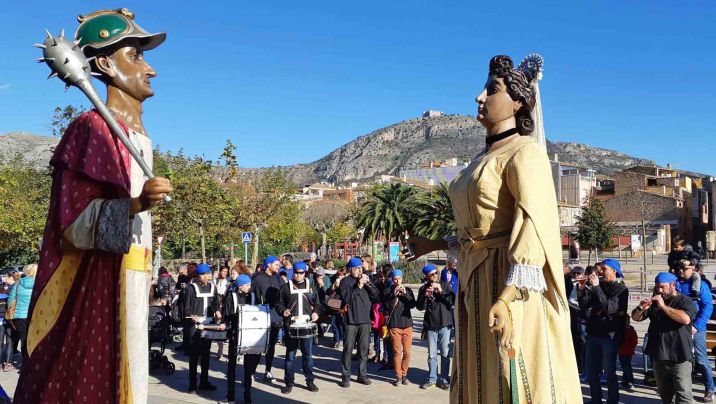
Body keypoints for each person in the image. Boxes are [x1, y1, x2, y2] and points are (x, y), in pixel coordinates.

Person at [14, 8, 173, 403]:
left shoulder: (135, 132)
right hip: (104, 282)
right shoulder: (92, 127)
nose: (150, 69)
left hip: (133, 276)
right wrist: (137, 204)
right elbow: (72, 228)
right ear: (104, 63)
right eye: (136, 56)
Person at [404, 54, 581, 403]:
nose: (479, 97)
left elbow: (532, 225)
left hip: (508, 281)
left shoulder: (524, 153)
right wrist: (436, 243)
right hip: (474, 277)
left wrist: (507, 295)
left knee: (507, 369)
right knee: (476, 367)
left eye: (491, 89)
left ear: (518, 102)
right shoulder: (479, 160)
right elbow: (481, 226)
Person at [632, 272, 695, 404]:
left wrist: (663, 307)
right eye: (656, 287)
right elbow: (635, 318)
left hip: (680, 357)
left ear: (673, 285)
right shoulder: (655, 301)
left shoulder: (684, 300)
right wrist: (641, 308)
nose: (659, 290)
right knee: (665, 395)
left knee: (684, 396)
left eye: (662, 287)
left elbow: (685, 319)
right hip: (659, 356)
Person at [577, 258, 628, 404]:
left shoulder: (621, 289)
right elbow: (584, 305)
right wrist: (581, 288)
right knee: (592, 371)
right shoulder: (599, 285)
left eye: (604, 269)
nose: (600, 272)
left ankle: (612, 400)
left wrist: (597, 287)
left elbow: (609, 308)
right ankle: (595, 400)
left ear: (614, 271)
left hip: (609, 336)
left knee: (609, 372)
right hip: (593, 333)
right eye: (600, 269)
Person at [275, 262, 321, 394]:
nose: (298, 275)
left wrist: (316, 313)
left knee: (308, 356)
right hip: (291, 326)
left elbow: (317, 304)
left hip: (306, 325)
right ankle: (289, 382)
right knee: (290, 356)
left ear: (304, 273)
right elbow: (279, 303)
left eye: (300, 273)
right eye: (295, 272)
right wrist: (283, 311)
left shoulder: (311, 286)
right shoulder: (285, 287)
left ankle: (310, 381)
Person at [674, 257, 714, 401]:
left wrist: (696, 326)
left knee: (701, 359)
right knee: (680, 360)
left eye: (684, 268)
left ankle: (710, 388)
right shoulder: (675, 284)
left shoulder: (700, 285)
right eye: (679, 267)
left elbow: (707, 307)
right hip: (679, 327)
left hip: (696, 328)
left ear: (694, 269)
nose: (680, 270)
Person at [339, 257, 379, 387]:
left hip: (365, 321)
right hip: (351, 321)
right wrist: (359, 285)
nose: (359, 271)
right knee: (348, 349)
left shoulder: (366, 279)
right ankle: (345, 376)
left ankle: (362, 375)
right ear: (350, 269)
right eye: (356, 268)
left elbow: (375, 295)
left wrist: (369, 284)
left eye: (360, 268)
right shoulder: (345, 282)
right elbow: (346, 298)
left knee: (363, 350)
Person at [221, 274, 260, 404]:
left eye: (250, 285)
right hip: (235, 335)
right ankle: (230, 397)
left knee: (248, 368)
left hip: (250, 336)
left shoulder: (253, 296)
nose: (249, 287)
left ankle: (247, 397)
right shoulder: (231, 296)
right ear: (240, 286)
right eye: (247, 285)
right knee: (231, 367)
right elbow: (226, 315)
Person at [184, 263, 222, 392]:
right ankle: (192, 384)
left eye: (207, 274)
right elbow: (186, 308)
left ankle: (204, 382)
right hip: (195, 326)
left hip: (209, 325)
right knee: (194, 356)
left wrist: (217, 312)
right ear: (198, 275)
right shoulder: (191, 288)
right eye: (203, 274)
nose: (206, 277)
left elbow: (216, 304)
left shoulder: (213, 287)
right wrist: (191, 316)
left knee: (206, 355)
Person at [417, 264, 454, 390]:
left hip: (445, 323)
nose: (435, 276)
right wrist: (425, 296)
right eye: (432, 275)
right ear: (427, 277)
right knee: (432, 354)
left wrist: (442, 292)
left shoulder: (445, 284)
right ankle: (432, 378)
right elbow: (419, 307)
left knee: (445, 353)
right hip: (431, 324)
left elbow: (452, 302)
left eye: (436, 273)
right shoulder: (423, 289)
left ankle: (444, 378)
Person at [251, 256, 283, 383]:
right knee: (259, 346)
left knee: (271, 346)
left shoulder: (278, 278)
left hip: (275, 315)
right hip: (261, 314)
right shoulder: (258, 278)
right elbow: (252, 297)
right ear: (268, 264)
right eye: (276, 264)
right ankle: (251, 372)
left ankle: (268, 371)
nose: (278, 266)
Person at [380, 269, 414, 386]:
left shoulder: (408, 290)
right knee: (397, 352)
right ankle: (398, 377)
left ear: (402, 279)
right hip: (394, 325)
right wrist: (393, 294)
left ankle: (404, 375)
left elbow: (412, 305)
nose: (397, 281)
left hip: (407, 325)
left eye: (399, 279)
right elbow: (386, 305)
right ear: (392, 280)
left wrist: (405, 294)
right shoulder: (388, 291)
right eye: (395, 279)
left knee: (408, 352)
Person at [7, 264, 35, 367]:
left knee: (23, 338)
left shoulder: (18, 284)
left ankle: (25, 362)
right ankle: (33, 359)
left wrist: (11, 315)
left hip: (20, 316)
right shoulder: (39, 284)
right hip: (34, 315)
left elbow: (11, 300)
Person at [214, 266, 230, 361]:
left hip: (224, 305)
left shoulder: (228, 282)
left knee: (222, 328)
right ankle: (220, 351)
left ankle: (221, 352)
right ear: (220, 271)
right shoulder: (215, 281)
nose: (225, 273)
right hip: (217, 306)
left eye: (226, 272)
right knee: (218, 328)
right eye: (224, 271)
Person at [328, 267, 347, 348]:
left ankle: (342, 340)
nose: (339, 277)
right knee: (333, 324)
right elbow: (328, 292)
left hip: (341, 306)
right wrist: (334, 286)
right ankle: (336, 340)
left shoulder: (347, 282)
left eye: (341, 276)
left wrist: (341, 286)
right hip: (333, 305)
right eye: (338, 275)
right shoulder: (335, 282)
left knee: (340, 324)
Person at [618, 316, 637, 391]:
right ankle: (625, 380)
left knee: (627, 367)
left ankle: (630, 381)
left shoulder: (630, 330)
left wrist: (631, 350)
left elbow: (634, 342)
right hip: (621, 351)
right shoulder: (621, 329)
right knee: (624, 366)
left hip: (628, 352)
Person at [0, 284, 13, 372]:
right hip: (9, 320)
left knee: (0, 343)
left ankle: (0, 364)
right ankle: (7, 364)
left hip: (0, 321)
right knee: (9, 342)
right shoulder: (9, 296)